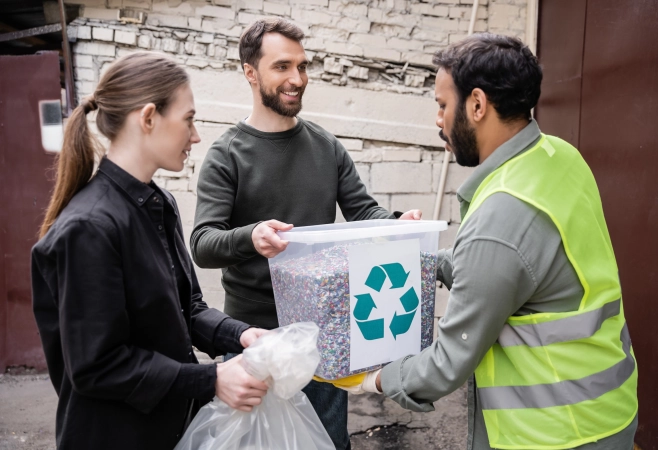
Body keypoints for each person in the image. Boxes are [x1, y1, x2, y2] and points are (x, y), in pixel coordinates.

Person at [343, 34, 639, 449]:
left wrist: (369, 379)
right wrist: (424, 262)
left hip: (553, 432)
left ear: (477, 105)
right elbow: (521, 266)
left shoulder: (503, 214)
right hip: (609, 407)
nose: (438, 119)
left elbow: (447, 364)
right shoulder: (557, 156)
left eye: (442, 105)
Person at [190, 18, 421, 450]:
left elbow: (363, 211)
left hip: (323, 337)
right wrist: (251, 236)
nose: (297, 79)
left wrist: (395, 222)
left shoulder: (326, 146)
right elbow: (203, 243)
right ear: (250, 72)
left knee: (329, 443)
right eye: (282, 67)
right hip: (253, 341)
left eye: (302, 66)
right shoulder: (226, 154)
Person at [31, 52, 270, 450]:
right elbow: (97, 365)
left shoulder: (157, 203)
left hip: (168, 428)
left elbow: (187, 307)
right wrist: (211, 380)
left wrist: (242, 335)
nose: (195, 136)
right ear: (147, 118)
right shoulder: (89, 227)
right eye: (189, 119)